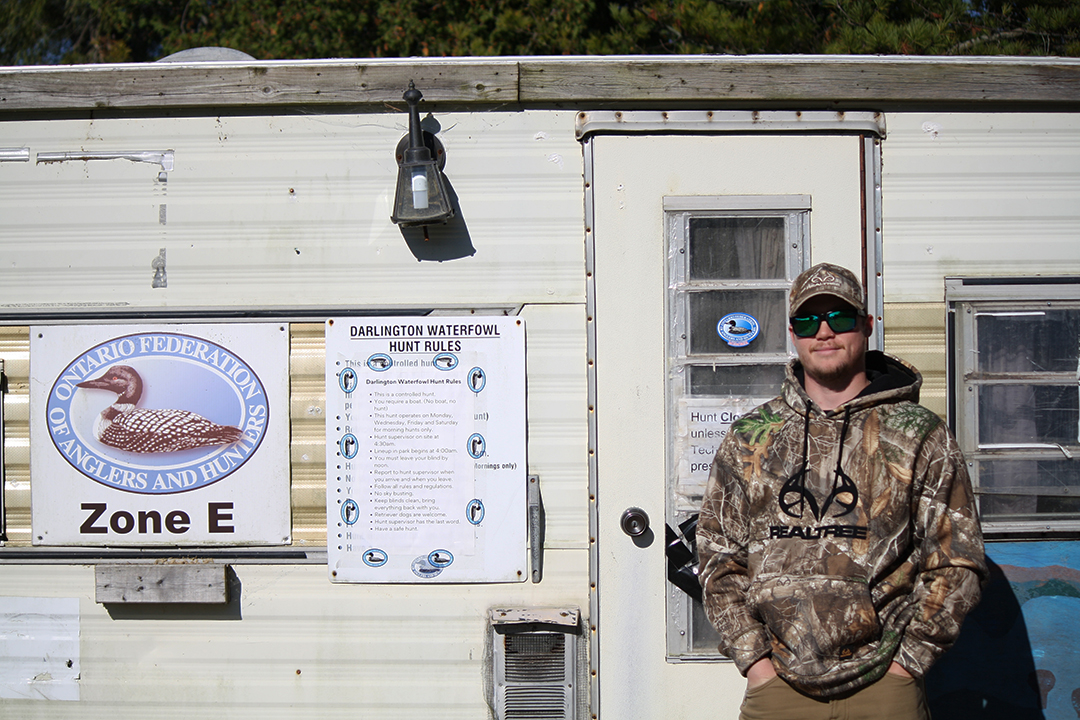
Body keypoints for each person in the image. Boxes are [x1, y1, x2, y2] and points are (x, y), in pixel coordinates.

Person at [697, 263, 987, 720]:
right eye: (809, 321)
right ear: (793, 333)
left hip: (884, 687)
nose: (825, 332)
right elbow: (718, 558)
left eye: (841, 318)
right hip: (779, 689)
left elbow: (956, 559)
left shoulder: (918, 434)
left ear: (867, 326)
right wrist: (754, 662)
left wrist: (908, 662)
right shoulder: (752, 436)